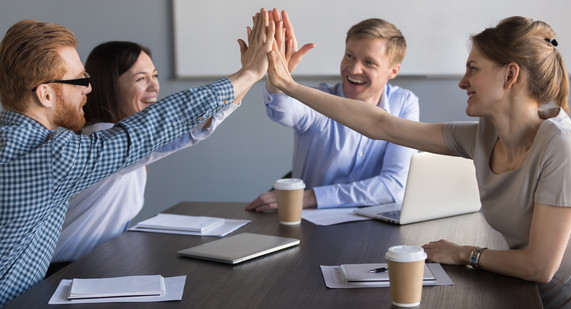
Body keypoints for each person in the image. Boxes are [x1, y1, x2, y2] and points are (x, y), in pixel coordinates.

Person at [267, 14, 571, 308]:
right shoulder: (484, 136)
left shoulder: (560, 144)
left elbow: (539, 267)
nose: (463, 82)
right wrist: (288, 86)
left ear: (510, 75)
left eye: (473, 68)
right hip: (516, 288)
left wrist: (464, 253)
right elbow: (381, 125)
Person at [0, 9, 273, 305]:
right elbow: (149, 129)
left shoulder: (15, 140)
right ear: (46, 95)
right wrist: (247, 75)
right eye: (79, 81)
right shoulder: (53, 155)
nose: (87, 89)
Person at [50, 41, 240, 264]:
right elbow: (192, 126)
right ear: (109, 86)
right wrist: (251, 72)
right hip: (64, 272)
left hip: (99, 262)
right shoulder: (102, 139)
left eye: (155, 75)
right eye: (141, 79)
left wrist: (254, 72)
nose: (154, 86)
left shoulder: (119, 137)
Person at [246, 10, 419, 212]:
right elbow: (281, 111)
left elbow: (394, 186)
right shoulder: (318, 99)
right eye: (349, 56)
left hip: (372, 227)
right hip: (310, 224)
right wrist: (278, 79)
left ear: (393, 71)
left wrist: (311, 197)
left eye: (369, 62)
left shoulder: (404, 103)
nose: (354, 69)